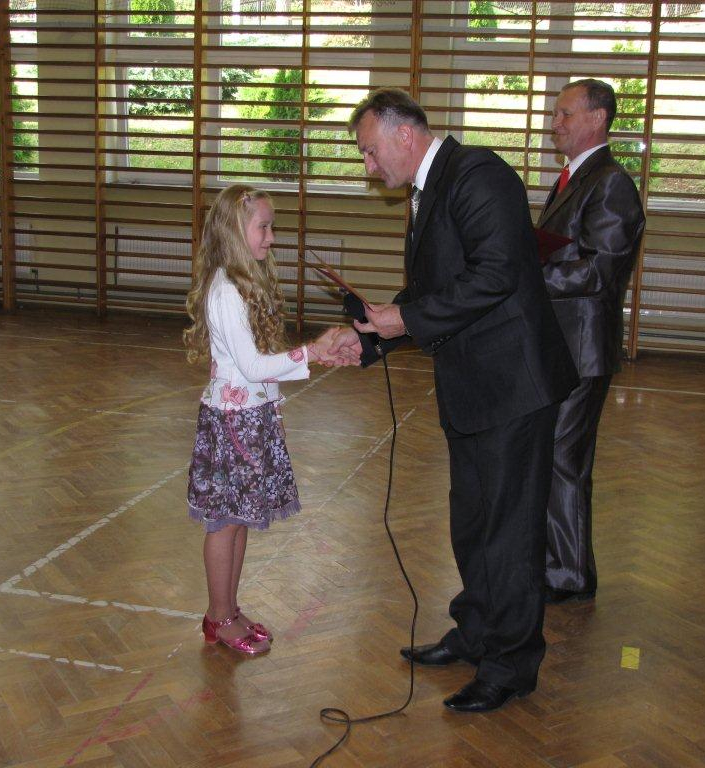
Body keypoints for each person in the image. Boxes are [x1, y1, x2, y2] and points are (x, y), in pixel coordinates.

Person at [330, 88, 578, 711]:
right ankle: (476, 632)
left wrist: (406, 320)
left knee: (509, 532)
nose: (368, 166)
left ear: (404, 134)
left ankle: (511, 666)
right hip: (474, 385)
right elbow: (431, 291)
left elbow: (497, 273)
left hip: (512, 388)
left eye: (370, 151)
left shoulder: (478, 174)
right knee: (473, 522)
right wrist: (372, 335)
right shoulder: (429, 189)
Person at [183, 184, 356, 655]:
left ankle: (228, 608)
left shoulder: (242, 285)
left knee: (238, 519)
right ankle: (218, 617)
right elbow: (253, 366)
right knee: (224, 523)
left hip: (249, 416)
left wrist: (309, 362)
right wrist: (312, 351)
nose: (272, 236)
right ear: (235, 231)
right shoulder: (225, 292)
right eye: (264, 227)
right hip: (231, 424)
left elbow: (258, 368)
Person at [539, 79, 645, 604]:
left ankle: (569, 574)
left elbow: (600, 272)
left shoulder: (611, 183)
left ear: (598, 118)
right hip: (561, 343)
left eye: (565, 114)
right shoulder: (573, 178)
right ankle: (557, 562)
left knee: (564, 459)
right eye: (555, 114)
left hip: (583, 347)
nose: (555, 123)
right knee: (555, 456)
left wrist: (526, 277)